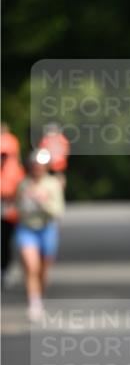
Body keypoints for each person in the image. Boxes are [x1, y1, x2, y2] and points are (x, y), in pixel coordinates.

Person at [15, 149, 65, 321]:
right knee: (31, 267)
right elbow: (18, 209)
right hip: (27, 229)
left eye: (40, 165)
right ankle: (34, 303)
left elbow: (58, 212)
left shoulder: (52, 184)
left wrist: (43, 201)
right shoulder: (23, 184)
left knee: (43, 271)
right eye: (35, 165)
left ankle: (39, 296)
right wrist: (26, 200)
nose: (37, 168)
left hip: (47, 229)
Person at [1, 125, 25, 287]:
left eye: (4, 156)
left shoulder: (15, 170)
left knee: (6, 239)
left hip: (8, 206)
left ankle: (5, 268)